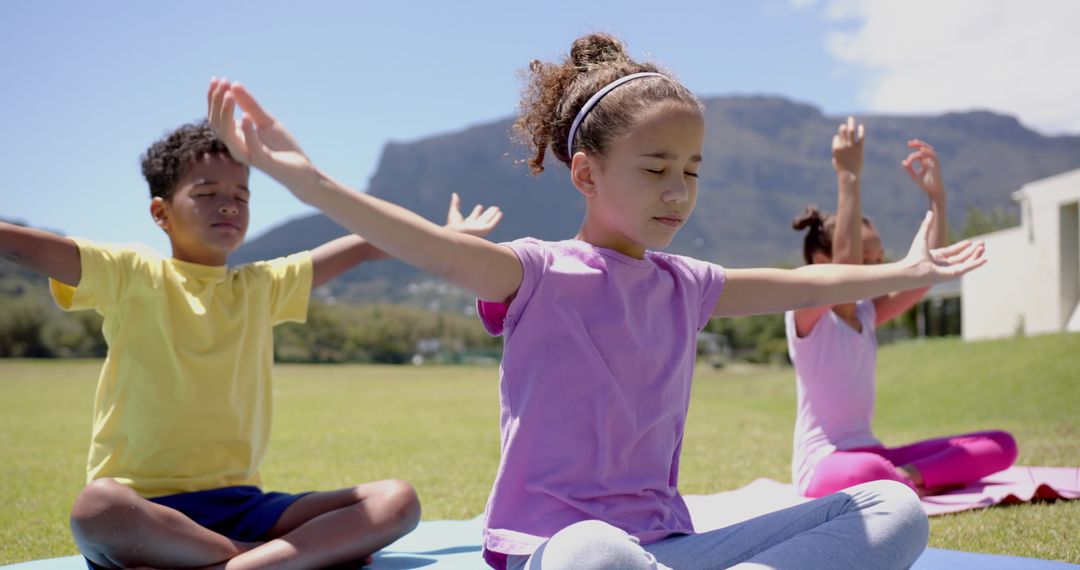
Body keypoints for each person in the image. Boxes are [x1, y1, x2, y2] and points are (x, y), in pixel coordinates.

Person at [206, 32, 988, 569]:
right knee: (599, 552)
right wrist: (305, 181)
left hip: (669, 548)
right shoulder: (534, 273)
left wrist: (906, 269)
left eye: (692, 169)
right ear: (585, 174)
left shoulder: (688, 285)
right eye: (655, 169)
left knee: (892, 508)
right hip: (558, 549)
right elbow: (430, 245)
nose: (678, 191)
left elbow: (810, 282)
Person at [0, 121, 502, 569]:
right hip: (146, 511)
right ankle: (261, 562)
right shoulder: (131, 273)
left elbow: (368, 244)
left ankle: (234, 563)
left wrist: (444, 237)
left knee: (397, 500)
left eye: (241, 196)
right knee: (96, 509)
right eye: (206, 192)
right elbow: (27, 245)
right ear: (161, 213)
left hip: (242, 507)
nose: (228, 204)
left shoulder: (260, 286)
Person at [787, 118, 1017, 498]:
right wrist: (848, 177)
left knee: (1000, 443)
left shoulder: (865, 314)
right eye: (866, 258)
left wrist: (937, 200)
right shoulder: (808, 313)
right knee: (870, 469)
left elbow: (925, 273)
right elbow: (842, 276)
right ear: (821, 259)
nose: (877, 268)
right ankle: (905, 480)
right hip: (824, 463)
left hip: (876, 455)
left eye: (880, 258)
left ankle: (905, 480)